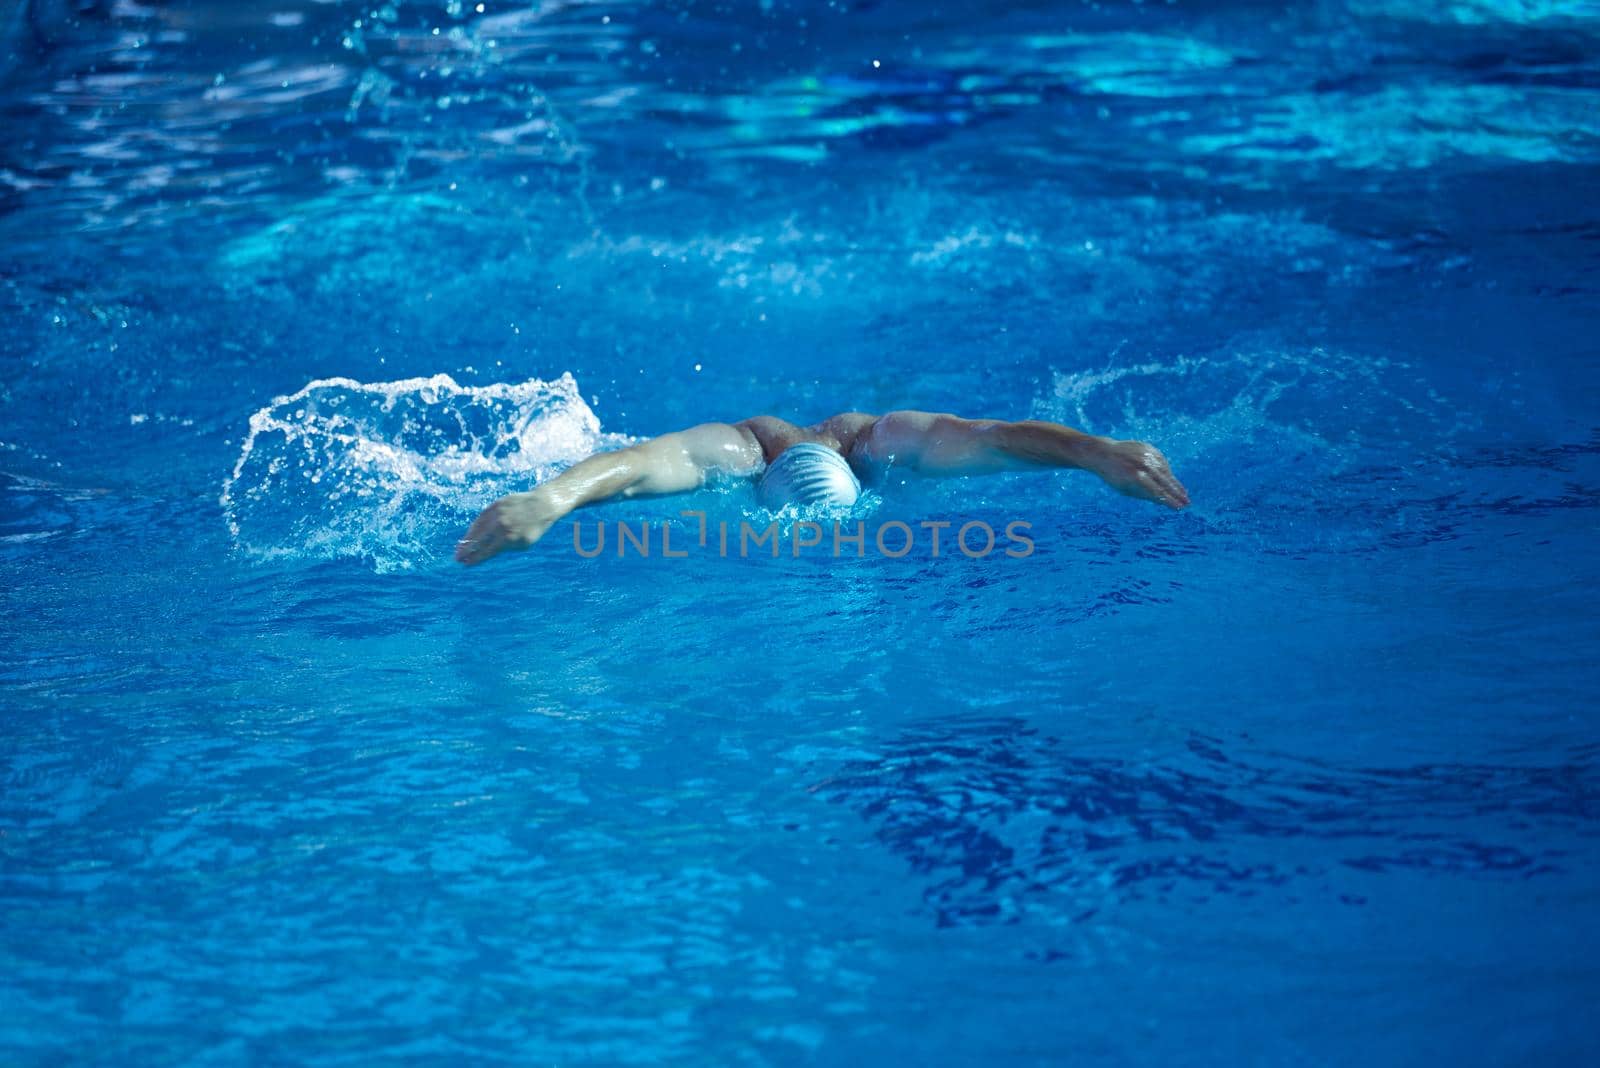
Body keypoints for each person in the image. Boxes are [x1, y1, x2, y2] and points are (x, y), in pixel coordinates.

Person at [455, 410, 1189, 565]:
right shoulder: (738, 453)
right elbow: (648, 459)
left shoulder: (886, 444)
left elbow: (990, 437)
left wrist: (1094, 451)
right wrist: (556, 496)